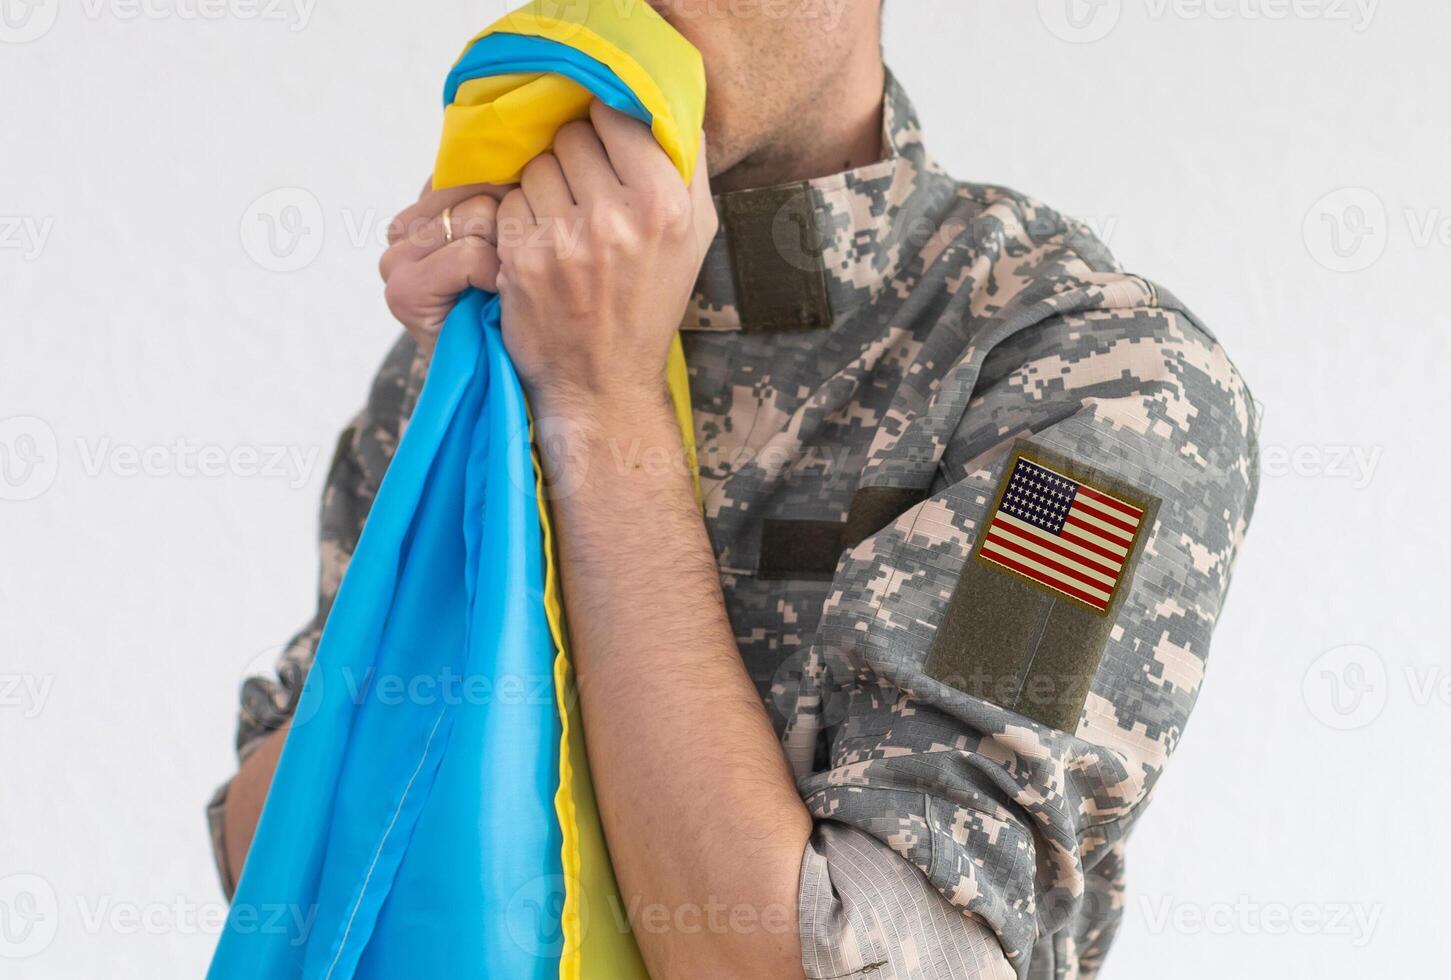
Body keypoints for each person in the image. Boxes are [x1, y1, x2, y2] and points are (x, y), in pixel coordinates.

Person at [209, 3, 1259, 978]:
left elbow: (881, 958)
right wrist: (477, 430)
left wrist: (599, 403)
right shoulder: (486, 335)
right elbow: (280, 871)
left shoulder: (1096, 384)